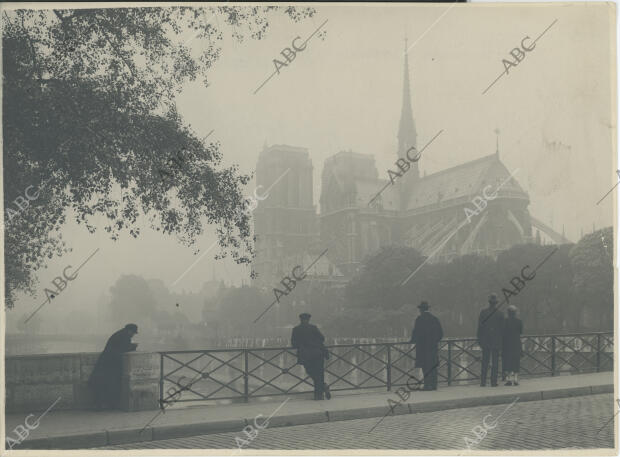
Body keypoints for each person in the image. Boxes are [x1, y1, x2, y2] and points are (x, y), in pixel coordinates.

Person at [89, 323, 139, 409]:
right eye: (133, 333)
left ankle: (101, 404)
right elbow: (123, 348)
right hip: (110, 364)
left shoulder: (120, 334)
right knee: (109, 384)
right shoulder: (124, 336)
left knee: (103, 384)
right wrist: (134, 346)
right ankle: (108, 405)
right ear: (129, 331)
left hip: (106, 362)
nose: (133, 335)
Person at [291, 313, 331, 400]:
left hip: (305, 355)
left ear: (300, 320)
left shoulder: (296, 329)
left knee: (311, 372)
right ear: (308, 320)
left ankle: (322, 388)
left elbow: (293, 344)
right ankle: (319, 394)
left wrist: (302, 345)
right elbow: (322, 338)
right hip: (318, 354)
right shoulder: (313, 328)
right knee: (319, 374)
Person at [409, 301, 444, 391]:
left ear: (420, 309)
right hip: (433, 347)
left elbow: (415, 333)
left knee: (425, 366)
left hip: (422, 347)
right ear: (428, 309)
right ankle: (434, 385)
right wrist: (434, 341)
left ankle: (427, 385)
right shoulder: (435, 319)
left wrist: (412, 341)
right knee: (433, 366)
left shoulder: (419, 319)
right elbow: (440, 334)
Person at [477, 294, 505, 387]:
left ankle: (483, 382)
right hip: (496, 341)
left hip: (485, 341)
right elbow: (502, 329)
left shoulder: (483, 312)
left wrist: (479, 340)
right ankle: (493, 382)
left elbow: (480, 328)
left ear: (489, 302)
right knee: (495, 362)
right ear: (496, 303)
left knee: (485, 361)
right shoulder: (500, 314)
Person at [502, 305, 523, 386]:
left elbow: (502, 332)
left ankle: (509, 379)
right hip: (516, 343)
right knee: (516, 360)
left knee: (507, 361)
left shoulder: (505, 321)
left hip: (507, 343)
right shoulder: (519, 321)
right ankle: (516, 379)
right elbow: (521, 331)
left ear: (508, 313)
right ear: (515, 313)